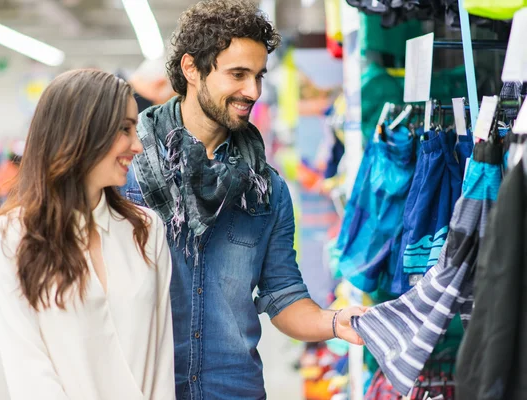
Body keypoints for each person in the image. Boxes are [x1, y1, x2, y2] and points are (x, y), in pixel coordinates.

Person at [120, 1, 367, 398]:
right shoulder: (127, 176)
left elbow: (283, 293)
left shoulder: (266, 188)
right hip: (145, 388)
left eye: (258, 76)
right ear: (191, 69)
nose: (252, 91)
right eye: (237, 74)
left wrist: (335, 321)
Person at [0, 69, 175, 400]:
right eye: (125, 129)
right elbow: (28, 370)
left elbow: (160, 362)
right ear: (81, 132)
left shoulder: (146, 229)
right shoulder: (8, 236)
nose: (138, 146)